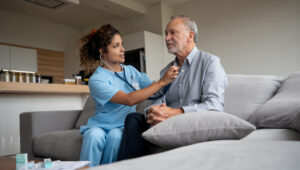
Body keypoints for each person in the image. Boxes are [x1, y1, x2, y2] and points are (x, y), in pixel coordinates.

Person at [117, 15, 227, 160]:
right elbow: (157, 101)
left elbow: (215, 105)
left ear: (190, 36)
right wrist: (152, 113)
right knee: (133, 118)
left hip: (192, 122)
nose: (167, 38)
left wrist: (176, 112)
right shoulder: (166, 71)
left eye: (173, 32)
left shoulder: (210, 62)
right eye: (166, 33)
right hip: (165, 124)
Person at [79, 24, 179, 167]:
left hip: (121, 126)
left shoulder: (131, 71)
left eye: (122, 45)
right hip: (100, 125)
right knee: (94, 136)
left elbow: (154, 88)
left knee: (116, 136)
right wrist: (162, 81)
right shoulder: (97, 79)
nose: (123, 50)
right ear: (103, 52)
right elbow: (129, 100)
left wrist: (169, 78)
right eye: (116, 46)